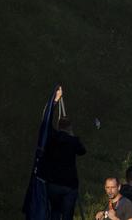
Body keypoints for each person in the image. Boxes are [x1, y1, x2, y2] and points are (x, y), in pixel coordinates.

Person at [41, 88, 85, 220]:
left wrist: (54, 102)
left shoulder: (52, 137)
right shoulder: (73, 141)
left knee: (54, 212)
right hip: (69, 184)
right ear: (69, 128)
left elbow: (45, 121)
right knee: (67, 214)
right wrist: (72, 136)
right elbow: (82, 151)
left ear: (59, 126)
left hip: (53, 182)